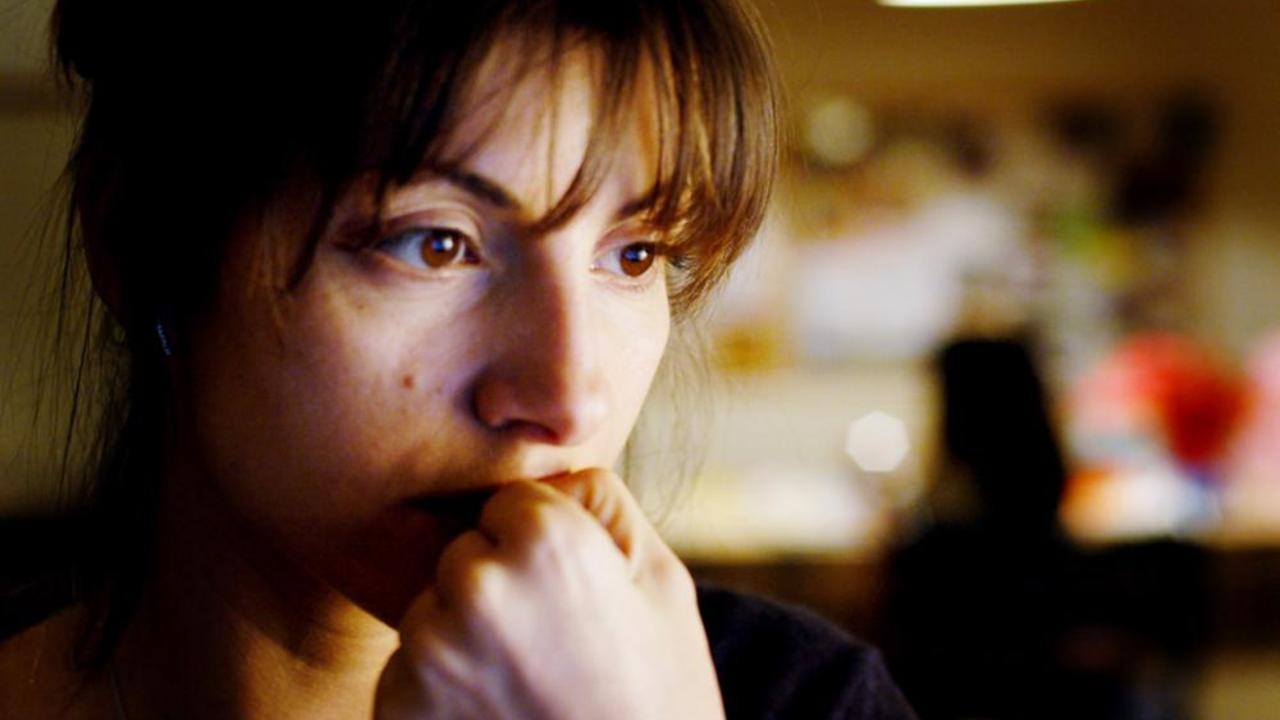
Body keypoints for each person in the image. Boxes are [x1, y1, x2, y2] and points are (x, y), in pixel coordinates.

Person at [0, 1, 917, 718]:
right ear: (137, 244)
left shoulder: (803, 699)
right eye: (434, 244)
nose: (568, 398)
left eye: (636, 255)